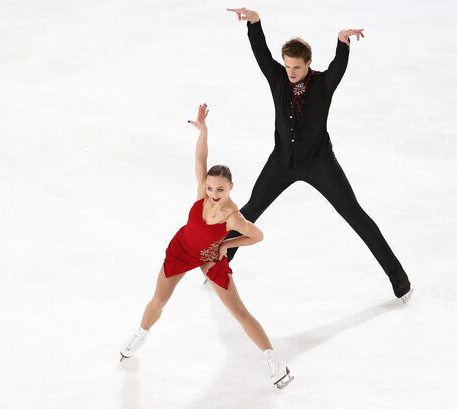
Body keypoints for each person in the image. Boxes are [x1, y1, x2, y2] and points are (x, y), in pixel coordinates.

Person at [225, 7, 413, 302]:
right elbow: (261, 54)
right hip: (282, 162)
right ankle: (221, 262)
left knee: (354, 213)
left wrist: (342, 42)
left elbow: (338, 67)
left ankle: (397, 275)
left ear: (308, 64)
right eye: (287, 66)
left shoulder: (323, 85)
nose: (290, 72)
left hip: (319, 162)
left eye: (296, 67)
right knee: (249, 210)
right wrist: (255, 23)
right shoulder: (278, 78)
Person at [119, 104, 293, 389]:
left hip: (210, 256)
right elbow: (202, 158)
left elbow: (257, 235)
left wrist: (228, 244)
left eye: (220, 189)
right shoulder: (203, 190)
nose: (213, 194)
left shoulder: (233, 216)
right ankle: (141, 333)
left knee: (238, 311)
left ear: (231, 187)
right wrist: (203, 131)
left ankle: (273, 359)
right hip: (181, 249)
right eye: (211, 188)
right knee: (159, 301)